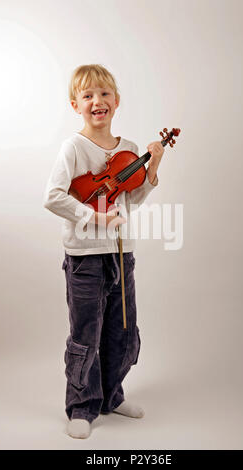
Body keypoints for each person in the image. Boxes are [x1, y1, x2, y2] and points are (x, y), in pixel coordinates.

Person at [43, 64, 164, 439]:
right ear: (75, 104)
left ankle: (111, 395)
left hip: (121, 254)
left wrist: (153, 167)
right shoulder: (73, 147)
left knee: (121, 329)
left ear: (116, 100)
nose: (98, 101)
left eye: (105, 94)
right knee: (86, 332)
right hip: (84, 256)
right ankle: (82, 406)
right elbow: (53, 197)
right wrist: (95, 219)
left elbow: (130, 199)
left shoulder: (128, 150)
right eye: (88, 95)